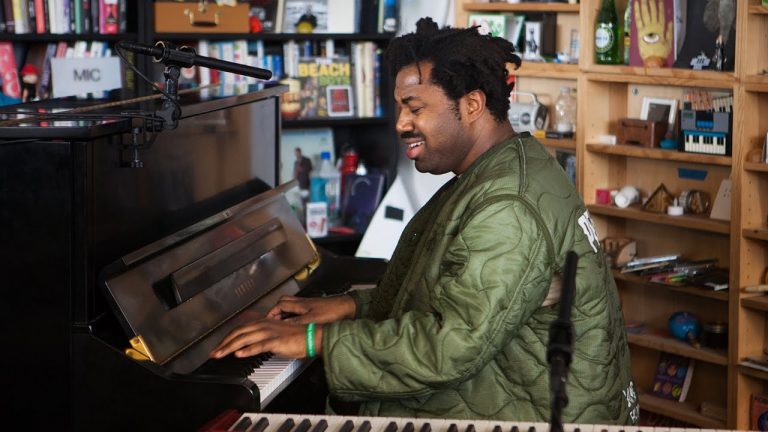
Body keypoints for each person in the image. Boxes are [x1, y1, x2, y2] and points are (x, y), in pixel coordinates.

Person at [212, 17, 638, 425]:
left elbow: (450, 346)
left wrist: (313, 341)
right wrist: (352, 306)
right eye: (399, 107)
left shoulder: (508, 206)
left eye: (415, 108)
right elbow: (453, 294)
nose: (401, 123)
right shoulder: (505, 168)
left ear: (471, 104)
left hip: (532, 415)